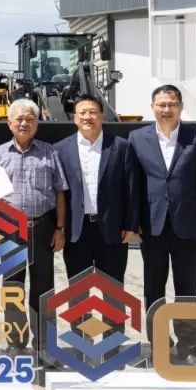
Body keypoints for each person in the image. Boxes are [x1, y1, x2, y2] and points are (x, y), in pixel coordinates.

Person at [127, 84, 196, 366]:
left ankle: (188, 347)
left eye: (172, 104)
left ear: (180, 107)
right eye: (161, 105)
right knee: (153, 288)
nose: (166, 110)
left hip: (187, 225)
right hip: (151, 226)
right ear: (152, 107)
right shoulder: (137, 138)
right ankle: (159, 345)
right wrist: (133, 223)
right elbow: (133, 184)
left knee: (187, 288)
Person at [0, 98, 69, 356]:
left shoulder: (49, 152)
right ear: (9, 123)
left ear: (37, 123)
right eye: (19, 119)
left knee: (43, 287)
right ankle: (15, 342)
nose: (24, 123)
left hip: (42, 226)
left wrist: (60, 228)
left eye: (30, 119)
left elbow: (59, 192)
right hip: (8, 229)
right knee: (12, 288)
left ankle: (44, 345)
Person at [54, 95, 134, 282]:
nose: (87, 117)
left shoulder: (121, 147)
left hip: (112, 231)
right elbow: (57, 193)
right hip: (77, 232)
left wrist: (130, 225)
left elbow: (131, 189)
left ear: (102, 116)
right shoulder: (60, 149)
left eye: (92, 112)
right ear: (75, 118)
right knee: (77, 291)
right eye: (82, 113)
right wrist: (58, 229)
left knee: (113, 291)